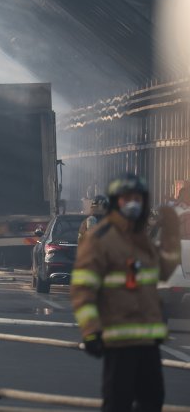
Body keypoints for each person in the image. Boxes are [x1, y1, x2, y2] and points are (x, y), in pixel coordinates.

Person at [70, 173, 180, 412]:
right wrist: (90, 331)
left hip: (148, 341)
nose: (133, 203)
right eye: (127, 198)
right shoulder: (100, 239)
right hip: (119, 342)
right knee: (118, 403)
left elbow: (163, 271)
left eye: (138, 198)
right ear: (116, 201)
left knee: (153, 401)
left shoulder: (141, 240)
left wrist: (172, 234)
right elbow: (83, 287)